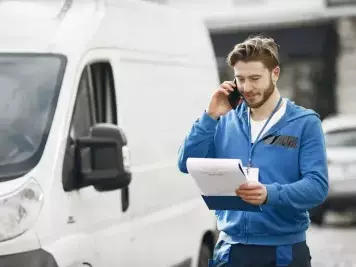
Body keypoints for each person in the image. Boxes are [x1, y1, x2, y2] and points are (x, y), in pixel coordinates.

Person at [177, 34, 328, 267]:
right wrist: (210, 116)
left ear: (275, 74)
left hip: (283, 251)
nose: (247, 87)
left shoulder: (305, 123)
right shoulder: (223, 120)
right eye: (240, 79)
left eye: (255, 78)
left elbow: (317, 187)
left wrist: (269, 194)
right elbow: (185, 163)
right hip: (230, 250)